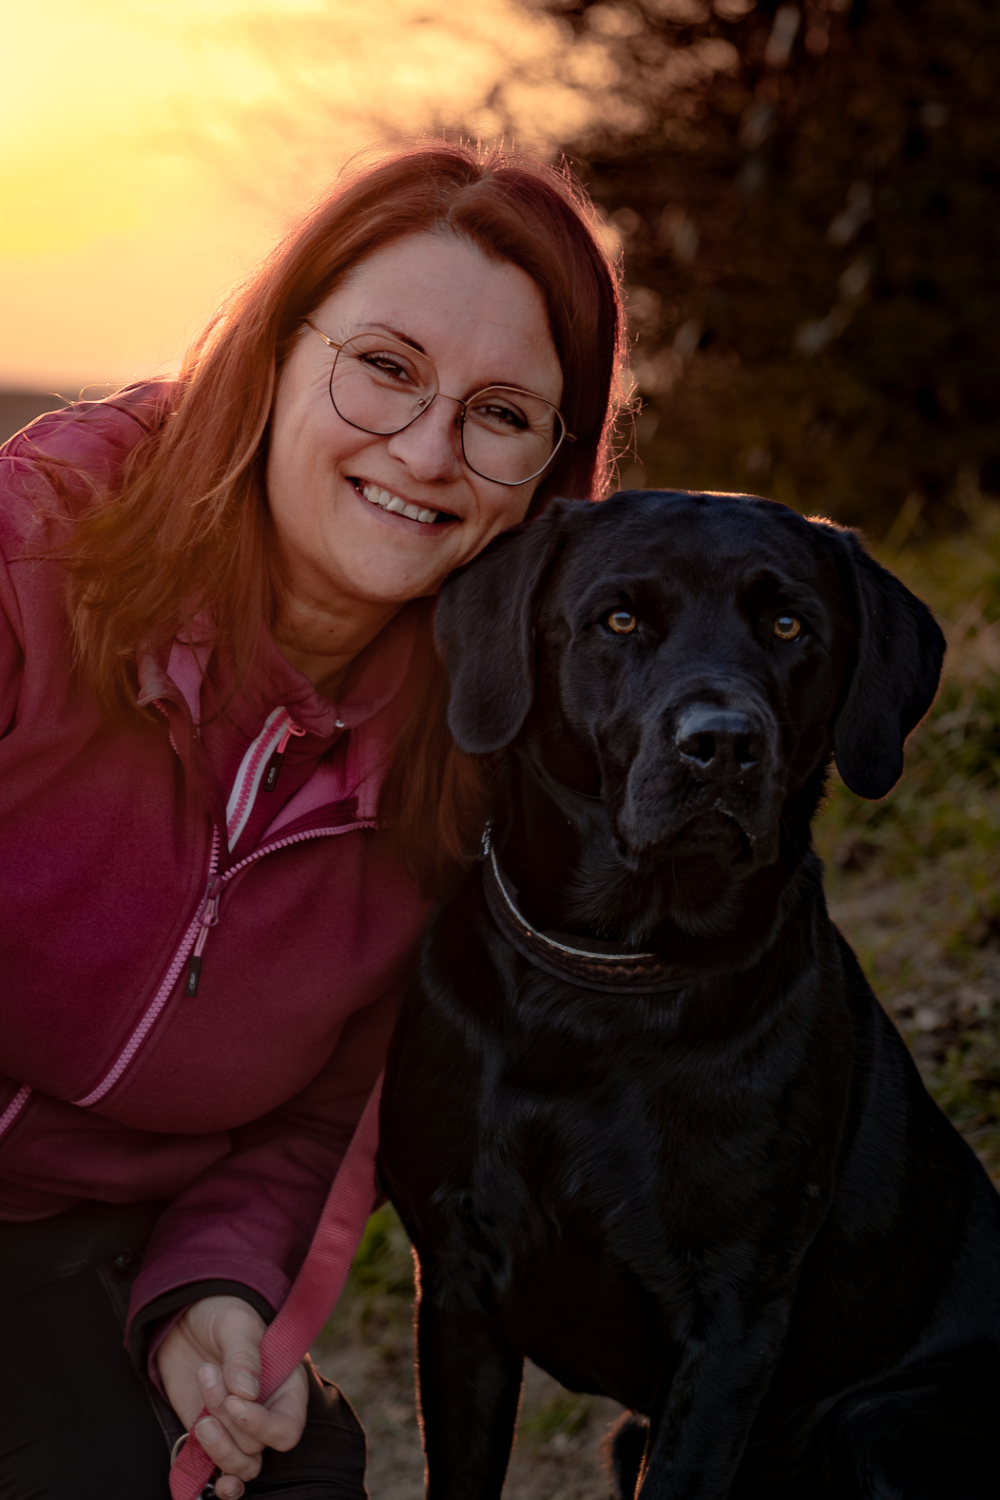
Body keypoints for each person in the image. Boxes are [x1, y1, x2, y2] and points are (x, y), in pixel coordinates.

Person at [0, 142, 625, 1499]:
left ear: (546, 475)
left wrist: (210, 1295)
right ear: (279, 353)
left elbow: (319, 1128)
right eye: (387, 366)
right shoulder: (31, 558)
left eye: (502, 412)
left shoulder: (480, 773)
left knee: (288, 1475)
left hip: (76, 1252)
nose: (426, 450)